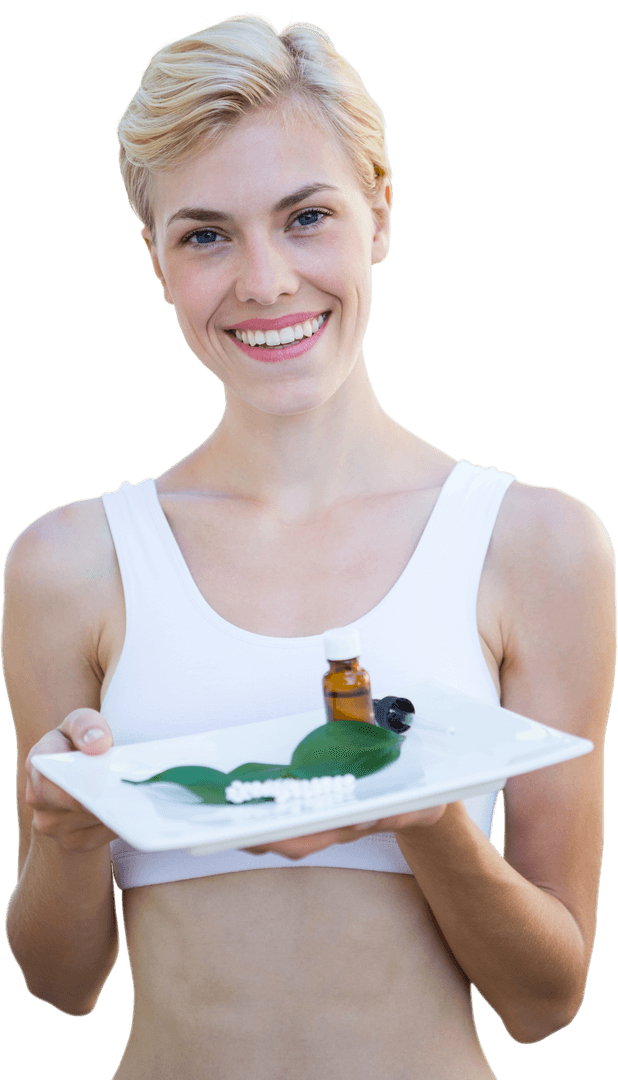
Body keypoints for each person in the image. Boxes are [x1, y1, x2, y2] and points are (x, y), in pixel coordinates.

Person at [3, 12, 615, 1080]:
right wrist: (63, 838)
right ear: (155, 260)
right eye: (205, 234)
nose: (268, 282)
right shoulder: (68, 563)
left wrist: (428, 819)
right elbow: (63, 986)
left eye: (306, 216)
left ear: (379, 211)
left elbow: (548, 1001)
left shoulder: (537, 546)